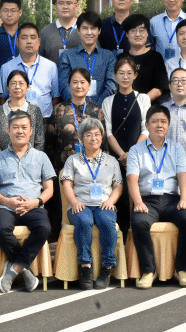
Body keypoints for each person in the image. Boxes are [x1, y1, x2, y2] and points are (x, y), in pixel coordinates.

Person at [128, 106, 186, 288]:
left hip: (171, 200)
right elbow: (132, 180)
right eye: (155, 121)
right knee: (139, 222)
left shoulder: (177, 149)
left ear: (168, 125)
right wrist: (138, 202)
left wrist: (184, 199)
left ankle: (182, 270)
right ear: (147, 125)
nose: (159, 125)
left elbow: (183, 176)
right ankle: (149, 271)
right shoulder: (136, 150)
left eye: (163, 122)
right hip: (147, 201)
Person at [0, 110, 54, 293]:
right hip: (5, 206)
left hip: (33, 205)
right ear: (8, 130)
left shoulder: (41, 157)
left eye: (24, 127)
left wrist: (36, 202)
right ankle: (25, 270)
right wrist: (7, 202)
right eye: (15, 127)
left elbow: (49, 189)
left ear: (31, 131)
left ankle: (15, 268)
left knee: (44, 228)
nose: (20, 131)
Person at [62, 118, 122, 290]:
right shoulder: (73, 160)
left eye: (97, 134)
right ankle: (85, 266)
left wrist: (110, 201)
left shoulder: (112, 161)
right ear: (82, 139)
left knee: (106, 222)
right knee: (83, 221)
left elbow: (118, 186)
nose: (93, 138)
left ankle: (107, 266)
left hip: (104, 204)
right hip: (80, 204)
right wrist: (74, 202)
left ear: (102, 137)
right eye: (88, 135)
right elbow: (67, 184)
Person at [57, 13, 116, 109]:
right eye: (85, 28)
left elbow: (111, 85)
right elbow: (64, 86)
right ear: (78, 31)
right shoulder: (67, 56)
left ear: (99, 31)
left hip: (102, 110)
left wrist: (96, 107)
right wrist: (79, 106)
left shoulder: (109, 56)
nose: (89, 32)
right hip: (74, 111)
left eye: (93, 28)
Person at [2, 23, 58, 118]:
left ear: (39, 41)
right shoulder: (6, 68)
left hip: (44, 119)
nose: (29, 42)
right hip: (15, 120)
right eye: (24, 38)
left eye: (33, 37)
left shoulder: (51, 66)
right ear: (17, 42)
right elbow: (2, 98)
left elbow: (55, 97)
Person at [104, 58, 153, 157]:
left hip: (138, 155)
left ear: (135, 75)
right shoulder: (107, 101)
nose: (125, 77)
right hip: (115, 157)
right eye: (121, 73)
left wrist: (132, 154)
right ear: (115, 75)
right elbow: (108, 132)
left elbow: (146, 129)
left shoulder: (143, 98)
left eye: (129, 73)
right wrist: (122, 155)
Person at [119, 15, 169, 104]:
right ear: (127, 34)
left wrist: (140, 103)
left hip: (149, 107)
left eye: (142, 30)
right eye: (133, 30)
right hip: (124, 105)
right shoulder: (121, 58)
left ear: (147, 33)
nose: (138, 34)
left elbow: (159, 88)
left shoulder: (156, 57)